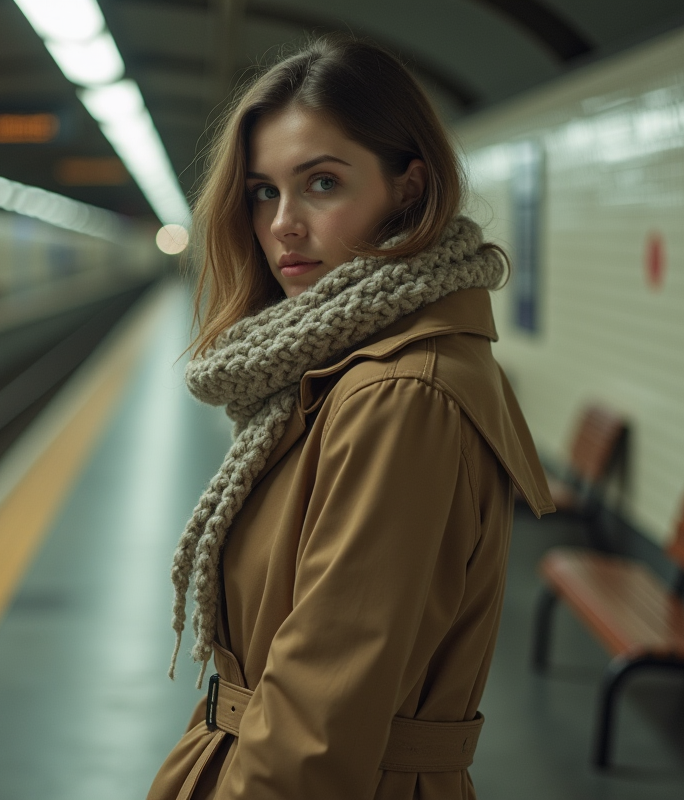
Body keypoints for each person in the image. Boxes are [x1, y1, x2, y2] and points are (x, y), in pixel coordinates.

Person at [148, 35, 555, 800]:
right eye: (263, 191)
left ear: (408, 187)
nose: (283, 224)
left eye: (322, 183)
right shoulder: (338, 371)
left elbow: (314, 730)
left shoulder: (400, 396)